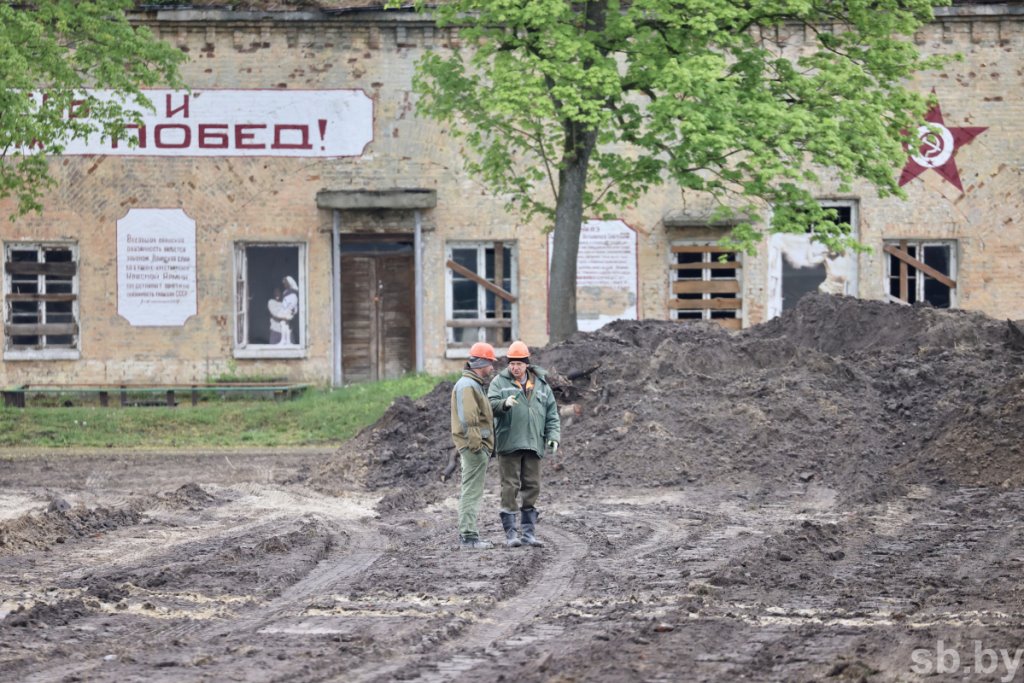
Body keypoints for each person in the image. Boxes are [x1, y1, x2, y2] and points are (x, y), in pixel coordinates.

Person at [488, 340, 561, 548]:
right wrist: (503, 404)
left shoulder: (542, 385)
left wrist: (553, 435)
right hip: (508, 443)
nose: (515, 367)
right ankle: (511, 534)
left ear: (527, 364)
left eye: (519, 363)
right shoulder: (498, 383)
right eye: (512, 363)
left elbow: (552, 414)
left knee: (533, 486)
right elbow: (489, 406)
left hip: (533, 443)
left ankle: (529, 533)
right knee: (509, 487)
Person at [450, 341, 499, 550]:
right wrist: (477, 446)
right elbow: (469, 419)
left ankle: (468, 534)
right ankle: (469, 537)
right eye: (490, 363)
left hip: (476, 447)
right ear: (482, 362)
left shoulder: (472, 384)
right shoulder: (468, 386)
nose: (492, 368)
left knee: (471, 490)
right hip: (474, 448)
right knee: (471, 491)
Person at [273, 276, 299, 345]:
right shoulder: (285, 291)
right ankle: (284, 340)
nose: (284, 284)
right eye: (283, 283)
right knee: (284, 324)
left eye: (285, 283)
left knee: (286, 325)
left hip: (289, 310)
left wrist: (290, 309)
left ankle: (287, 341)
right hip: (285, 309)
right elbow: (284, 301)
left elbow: (293, 301)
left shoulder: (293, 292)